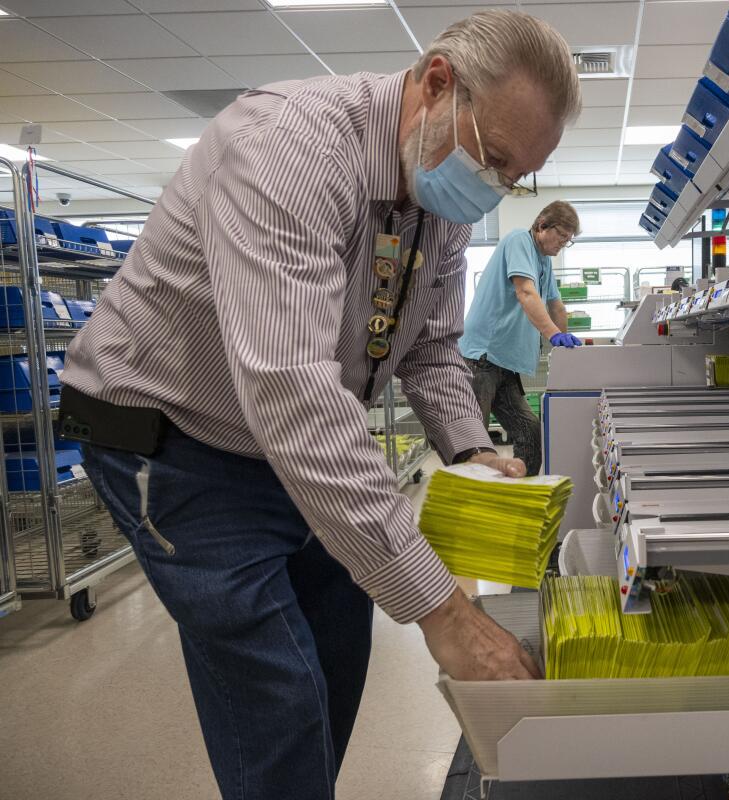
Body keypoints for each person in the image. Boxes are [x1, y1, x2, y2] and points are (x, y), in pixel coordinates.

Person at [58, 10, 581, 799]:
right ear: (438, 82)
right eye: (494, 158)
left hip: (282, 445)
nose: (494, 187)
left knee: (337, 661)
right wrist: (445, 613)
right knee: (281, 697)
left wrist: (470, 450)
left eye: (514, 177)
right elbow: (293, 391)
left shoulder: (440, 199)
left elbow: (433, 349)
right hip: (170, 441)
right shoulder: (288, 148)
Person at [459, 201, 582, 474]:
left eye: (568, 240)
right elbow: (525, 292)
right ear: (541, 226)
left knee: (530, 433)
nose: (563, 242)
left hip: (505, 364)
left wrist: (565, 347)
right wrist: (552, 334)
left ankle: (522, 497)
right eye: (561, 235)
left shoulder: (544, 262)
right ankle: (473, 508)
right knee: (473, 443)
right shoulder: (519, 240)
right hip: (481, 358)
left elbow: (556, 305)